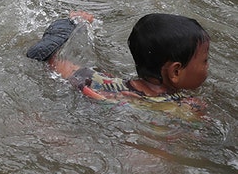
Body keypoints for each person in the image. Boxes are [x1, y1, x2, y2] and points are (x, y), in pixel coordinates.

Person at [26, 11, 210, 112]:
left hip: (96, 105)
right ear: (175, 72)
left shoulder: (103, 82)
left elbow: (53, 63)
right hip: (132, 126)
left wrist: (74, 24)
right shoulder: (186, 107)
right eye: (205, 60)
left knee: (57, 62)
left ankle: (66, 27)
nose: (207, 67)